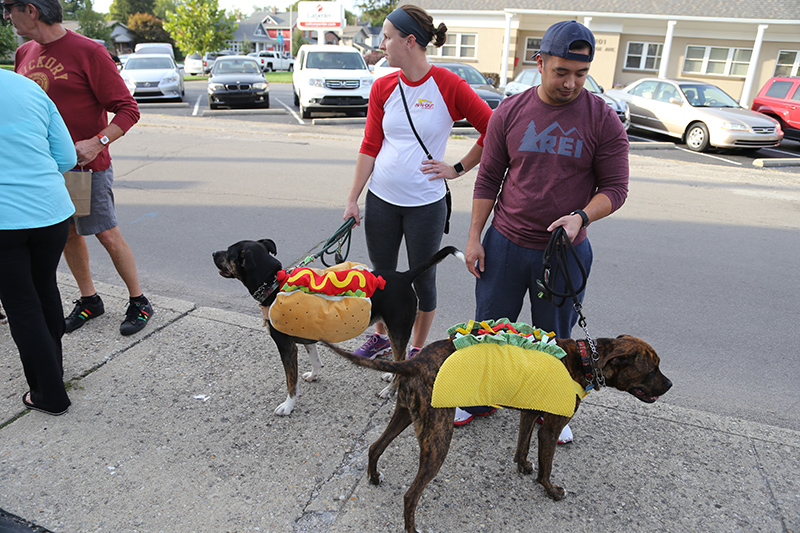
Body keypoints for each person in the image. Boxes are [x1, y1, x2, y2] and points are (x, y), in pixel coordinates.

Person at [460, 21, 630, 440]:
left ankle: (546, 405)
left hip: (564, 253)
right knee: (490, 328)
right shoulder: (511, 112)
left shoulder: (603, 119)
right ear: (540, 63)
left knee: (554, 337)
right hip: (505, 243)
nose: (571, 83)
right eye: (561, 72)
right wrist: (474, 237)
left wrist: (582, 217)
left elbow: (616, 188)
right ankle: (479, 396)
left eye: (580, 74)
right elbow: (489, 179)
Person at [343, 4, 492, 359]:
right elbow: (370, 145)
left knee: (422, 281)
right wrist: (353, 199)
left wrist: (457, 168)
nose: (382, 44)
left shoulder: (448, 84)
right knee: (381, 277)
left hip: (425, 204)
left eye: (388, 37)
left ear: (410, 41)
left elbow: (493, 129)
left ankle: (416, 349)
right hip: (381, 199)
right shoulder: (383, 87)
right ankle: (381, 337)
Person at [6, 0, 153, 336]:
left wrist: (97, 142)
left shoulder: (89, 51)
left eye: (8, 8)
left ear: (31, 10)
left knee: (106, 233)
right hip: (42, 169)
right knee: (67, 234)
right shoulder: (24, 53)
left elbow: (128, 109)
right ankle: (90, 299)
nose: (5, 16)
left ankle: (139, 300)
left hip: (86, 167)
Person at [0, 68, 78, 415]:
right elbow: (66, 157)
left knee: (21, 305)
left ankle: (49, 394)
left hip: (6, 222)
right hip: (52, 211)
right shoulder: (26, 87)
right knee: (45, 289)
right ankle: (54, 372)